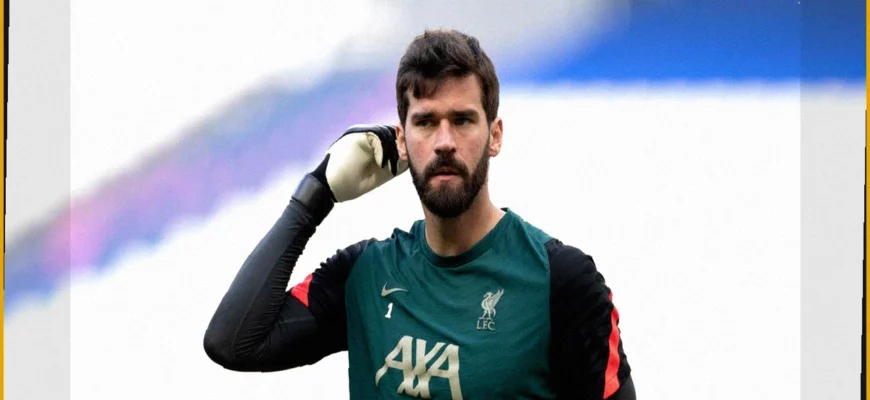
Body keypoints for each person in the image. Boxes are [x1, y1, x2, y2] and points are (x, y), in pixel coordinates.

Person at [204, 29, 635, 400]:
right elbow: (233, 342)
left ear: (494, 135)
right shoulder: (365, 274)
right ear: (402, 142)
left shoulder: (561, 280)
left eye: (463, 120)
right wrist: (315, 196)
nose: (444, 142)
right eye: (426, 122)